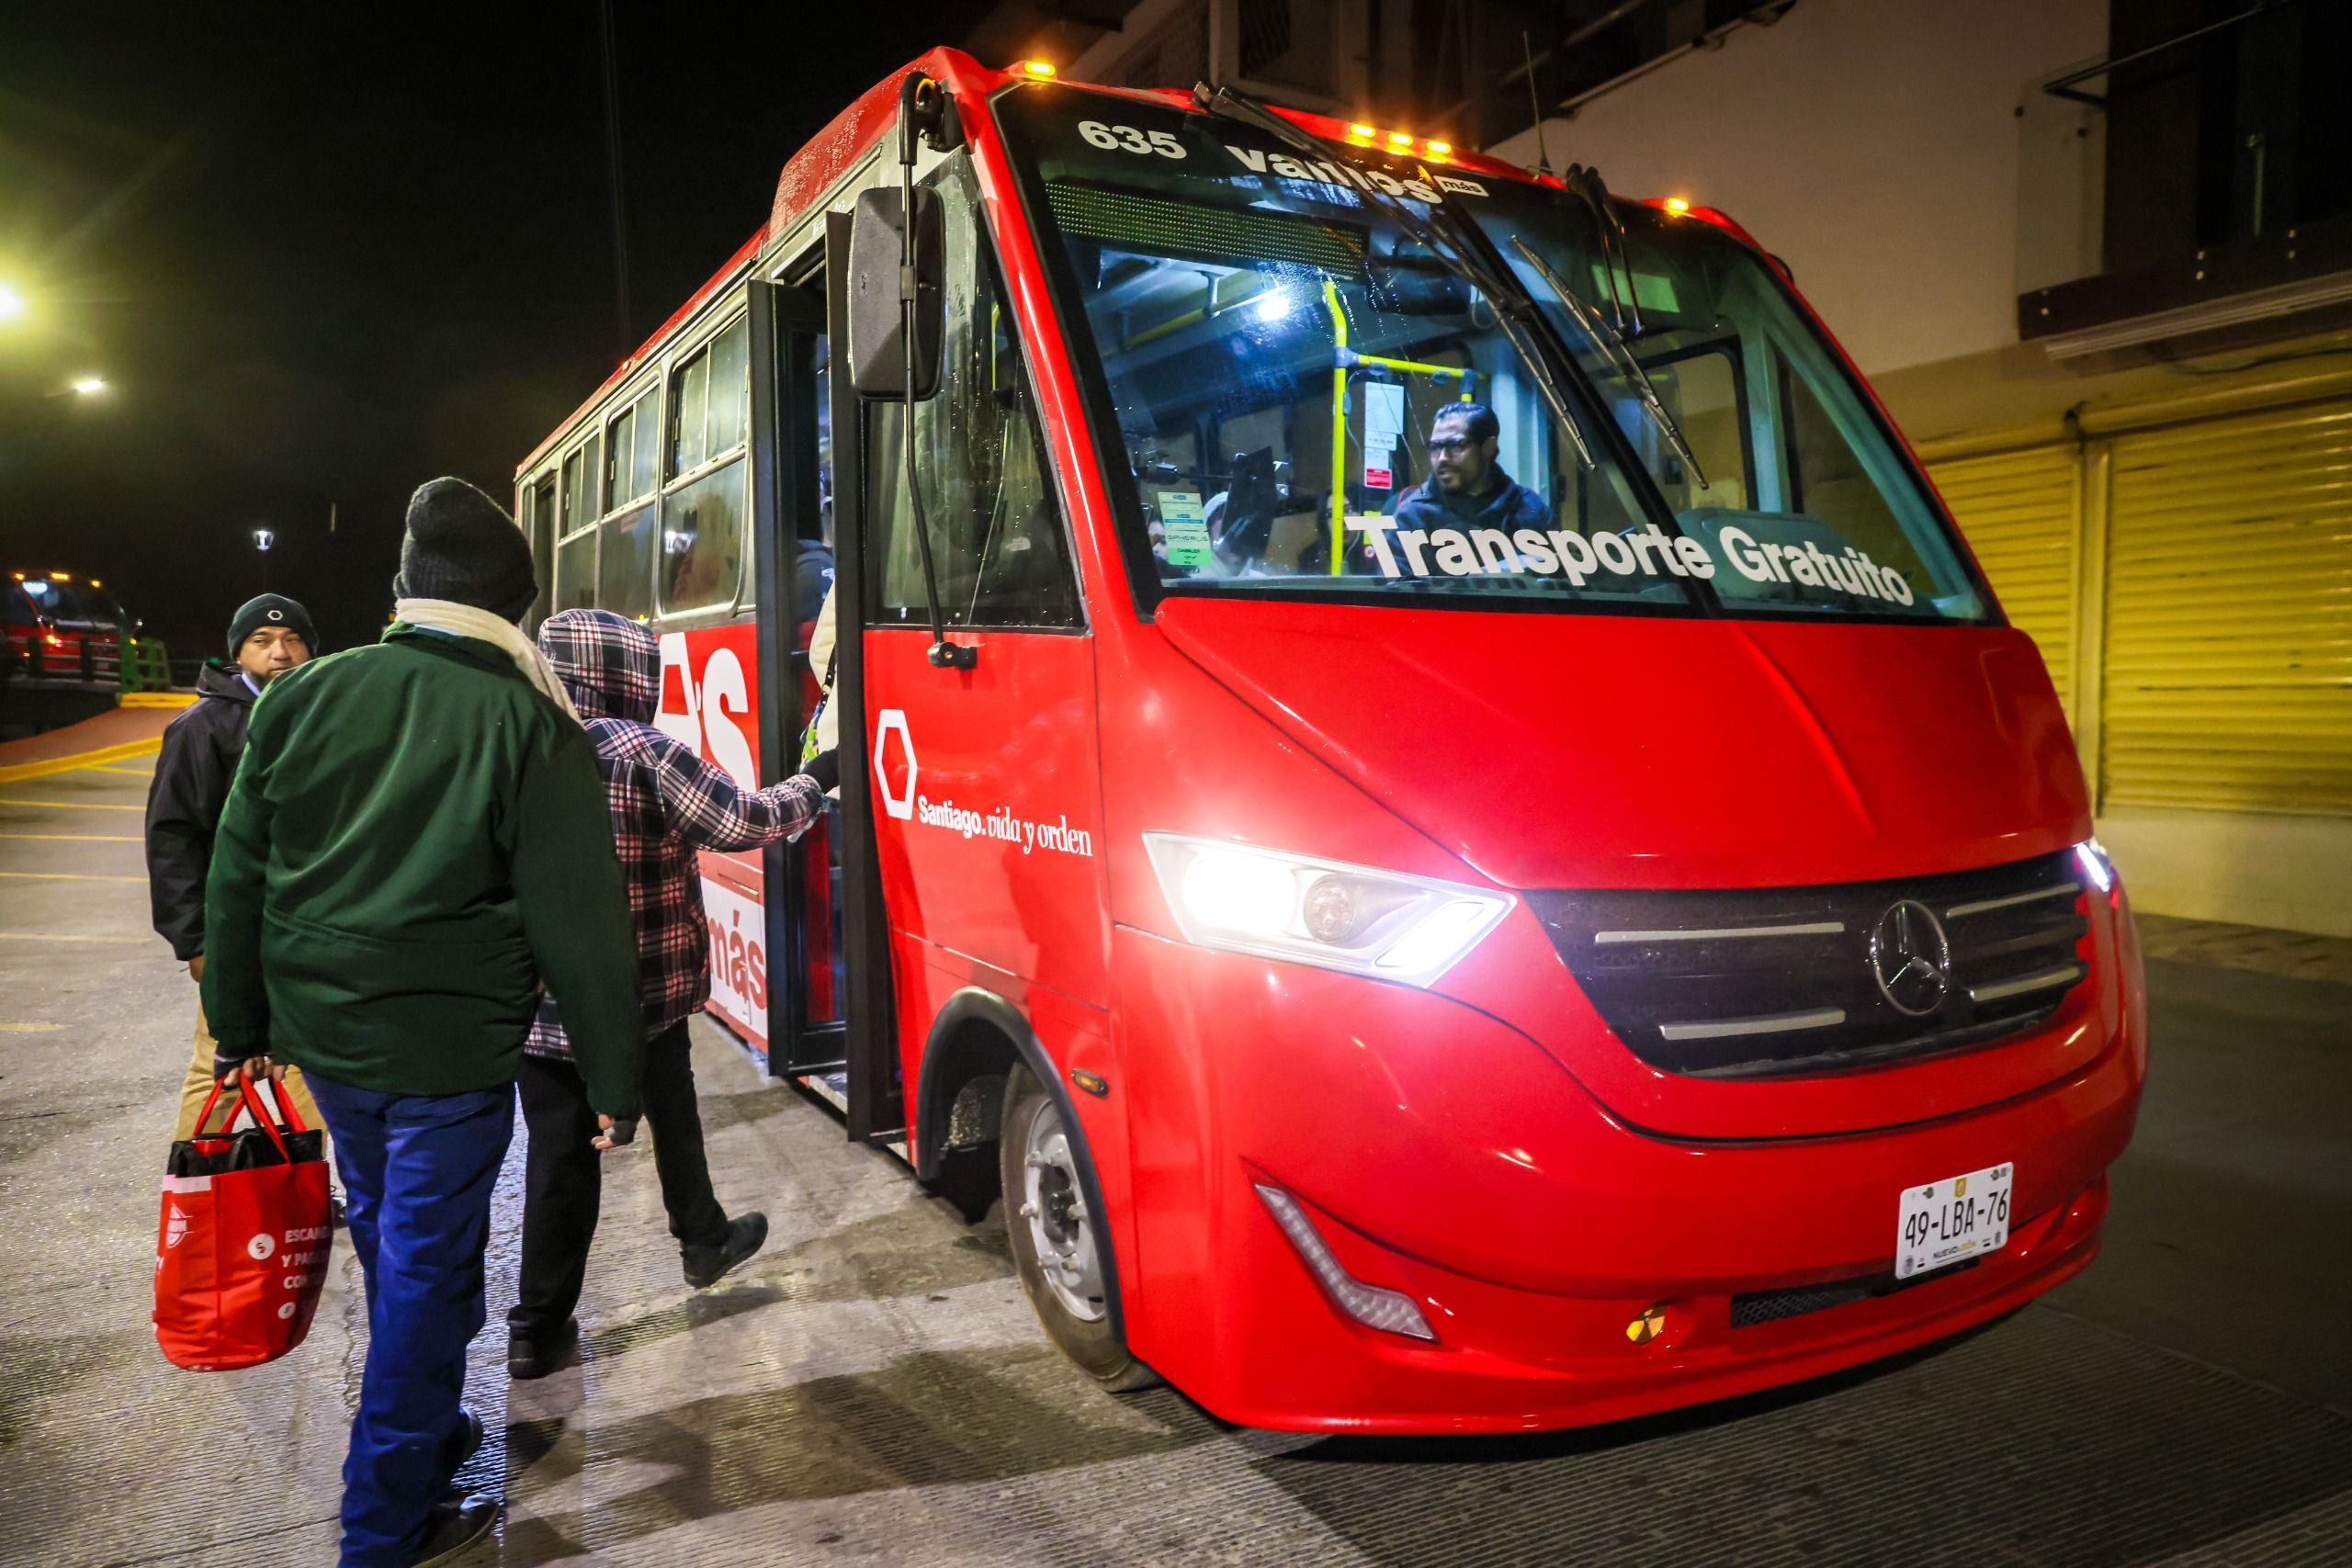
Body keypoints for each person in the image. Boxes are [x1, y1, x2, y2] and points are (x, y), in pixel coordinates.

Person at [201, 478, 643, 1568]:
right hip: (448, 1059)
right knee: (426, 1271)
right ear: (510, 605)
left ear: (409, 591)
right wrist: (612, 1080)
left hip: (328, 1044)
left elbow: (238, 872)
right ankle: (385, 1524)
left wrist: (238, 1019)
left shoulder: (304, 695)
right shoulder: (527, 722)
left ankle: (437, 1430)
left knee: (397, 1236)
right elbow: (581, 926)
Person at [508, 608, 838, 1379]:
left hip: (540, 1007)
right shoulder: (641, 750)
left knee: (563, 1159)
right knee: (666, 1104)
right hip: (645, 994)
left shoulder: (520, 745)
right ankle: (687, 1243)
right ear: (628, 674)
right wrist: (816, 780)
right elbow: (742, 821)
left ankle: (543, 1322)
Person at [145, 593, 322, 1141]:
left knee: (306, 1064)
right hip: (232, 931)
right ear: (237, 653)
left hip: (302, 928)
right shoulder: (201, 726)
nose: (280, 653)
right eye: (262, 641)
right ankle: (195, 1185)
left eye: (293, 639)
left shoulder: (321, 713)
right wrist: (194, 940)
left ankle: (309, 1189)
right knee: (219, 1066)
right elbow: (172, 837)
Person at [1385, 401, 1552, 536]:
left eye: (1455, 445)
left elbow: (1560, 574)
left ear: (1488, 447)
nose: (1442, 457)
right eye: (1435, 447)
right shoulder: (1412, 518)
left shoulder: (1530, 509)